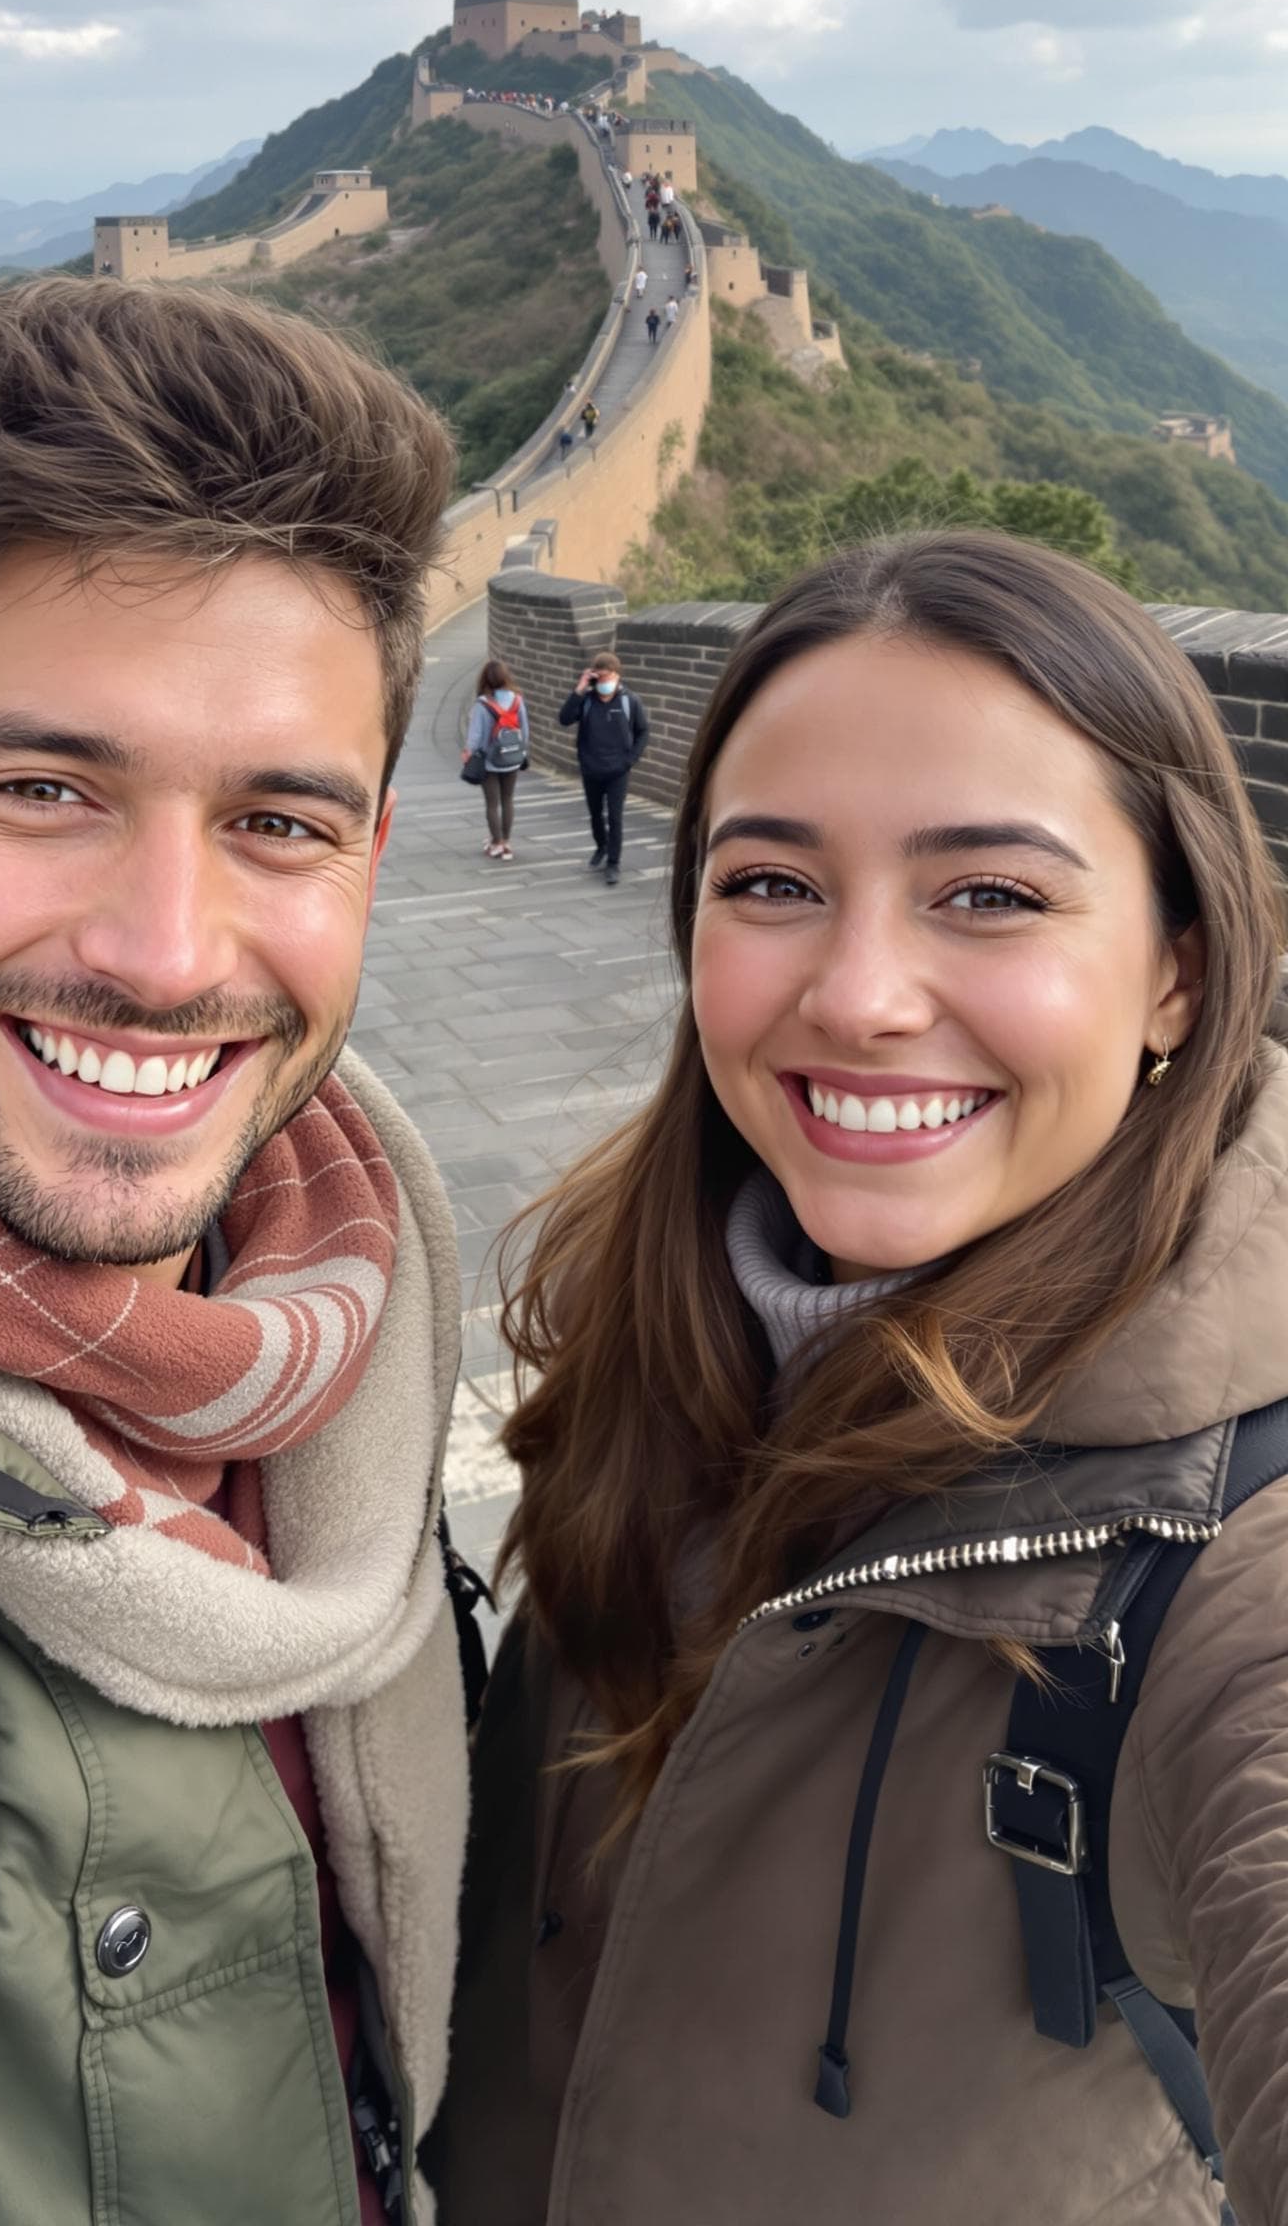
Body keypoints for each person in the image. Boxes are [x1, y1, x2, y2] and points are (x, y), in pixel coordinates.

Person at [433, 528, 1288, 2226]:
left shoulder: (1233, 1556)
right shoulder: (652, 1313)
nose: (859, 992)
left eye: (989, 892)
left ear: (1176, 971)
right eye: (771, 882)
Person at [0, 276, 472, 2226]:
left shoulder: (350, 1317)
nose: (163, 950)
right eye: (46, 787)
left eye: (277, 820)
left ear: (372, 853)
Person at [557, 652, 650, 886]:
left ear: (617, 676)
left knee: (615, 817)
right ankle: (601, 846)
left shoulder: (630, 701)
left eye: (608, 678)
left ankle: (613, 863)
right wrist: (579, 689)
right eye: (600, 679)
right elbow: (565, 719)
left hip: (618, 770)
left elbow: (643, 732)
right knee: (595, 813)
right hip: (591, 769)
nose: (604, 684)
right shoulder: (587, 700)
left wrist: (629, 760)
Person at [464, 656, 529, 861]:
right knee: (508, 799)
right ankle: (507, 842)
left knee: (492, 803)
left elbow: (475, 736)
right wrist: (521, 751)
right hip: (512, 758)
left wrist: (468, 752)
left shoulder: (483, 704)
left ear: (485, 679)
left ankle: (496, 842)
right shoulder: (518, 700)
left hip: (490, 761)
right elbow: (524, 731)